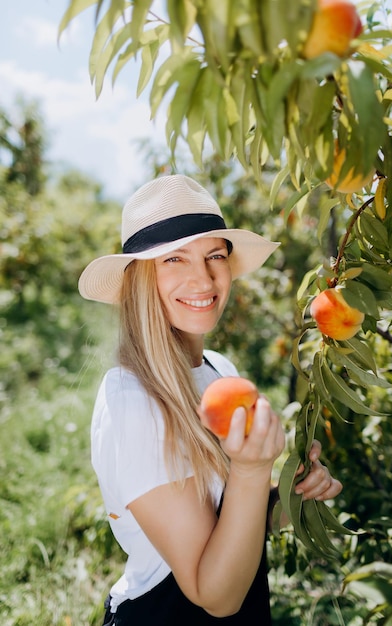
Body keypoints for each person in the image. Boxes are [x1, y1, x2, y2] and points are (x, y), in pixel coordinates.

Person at [79, 174, 342, 625]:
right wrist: (252, 468)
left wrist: (290, 496)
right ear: (142, 277)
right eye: (174, 259)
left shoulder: (219, 369)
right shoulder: (133, 399)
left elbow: (229, 520)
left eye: (214, 255)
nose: (202, 277)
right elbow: (214, 596)